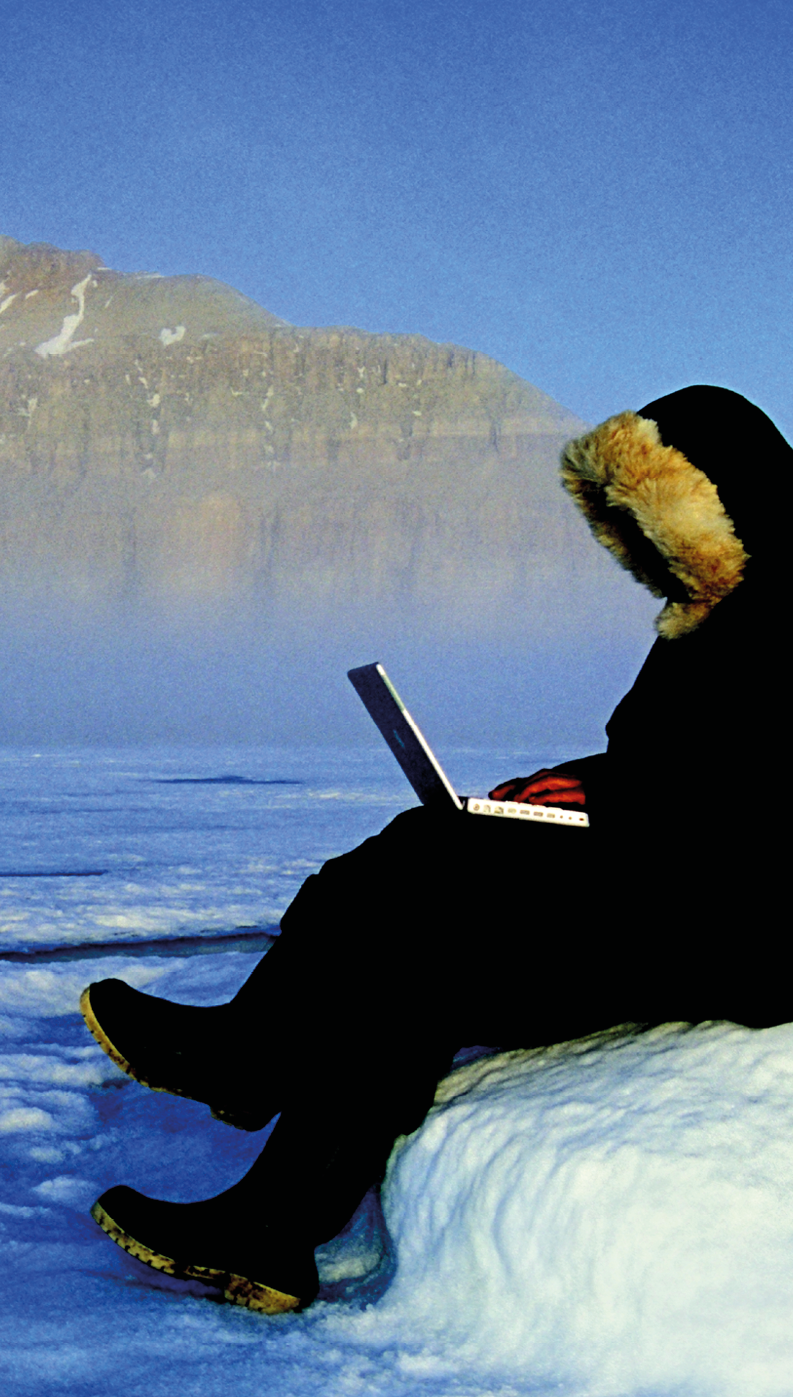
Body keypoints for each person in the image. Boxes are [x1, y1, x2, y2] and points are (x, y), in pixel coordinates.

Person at [80, 385, 793, 1314]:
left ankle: (255, 1098)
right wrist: (562, 791)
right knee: (421, 884)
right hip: (673, 890)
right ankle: (266, 1205)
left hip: (741, 934)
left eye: (660, 519)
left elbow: (743, 807)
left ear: (721, 506)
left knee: (434, 908)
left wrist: (605, 810)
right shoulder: (709, 628)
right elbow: (653, 768)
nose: (649, 546)